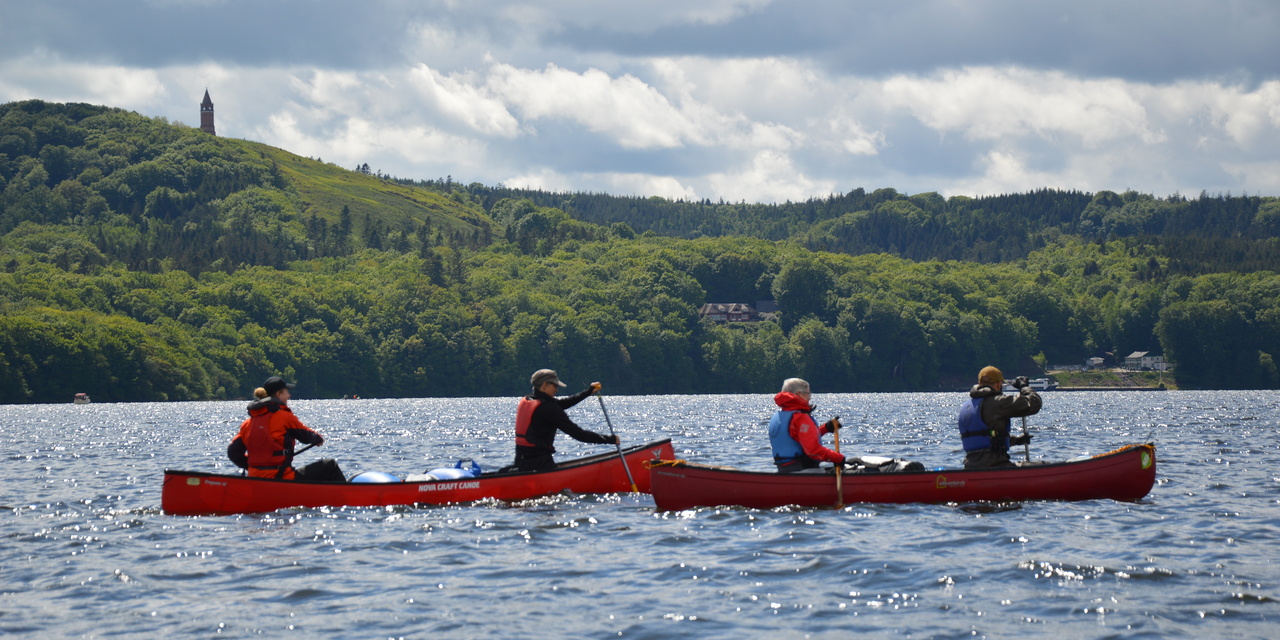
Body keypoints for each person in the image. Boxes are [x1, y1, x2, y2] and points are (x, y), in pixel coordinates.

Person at [227, 376, 345, 481]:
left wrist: (255, 466)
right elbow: (308, 436)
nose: (289, 395)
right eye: (287, 392)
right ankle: (347, 498)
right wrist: (318, 439)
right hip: (282, 478)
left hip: (255, 478)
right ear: (279, 394)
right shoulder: (284, 417)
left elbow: (233, 453)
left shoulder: (247, 423)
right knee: (330, 466)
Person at [512, 369, 617, 472]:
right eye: (555, 386)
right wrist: (610, 439)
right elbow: (579, 435)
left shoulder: (529, 399)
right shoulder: (548, 408)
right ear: (545, 385)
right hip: (541, 465)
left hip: (521, 463)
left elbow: (561, 404)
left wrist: (588, 392)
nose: (557, 390)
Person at [958, 366, 1042, 469]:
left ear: (979, 383)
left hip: (970, 467)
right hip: (996, 465)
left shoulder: (967, 406)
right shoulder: (998, 402)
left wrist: (1016, 440)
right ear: (998, 385)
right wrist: (1024, 387)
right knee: (1043, 465)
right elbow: (1034, 403)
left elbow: (988, 437)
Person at [769, 378, 846, 473]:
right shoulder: (800, 417)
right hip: (803, 469)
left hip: (784, 470)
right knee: (846, 466)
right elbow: (813, 450)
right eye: (807, 393)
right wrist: (839, 458)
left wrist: (825, 428)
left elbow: (800, 438)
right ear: (798, 394)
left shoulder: (779, 416)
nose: (809, 397)